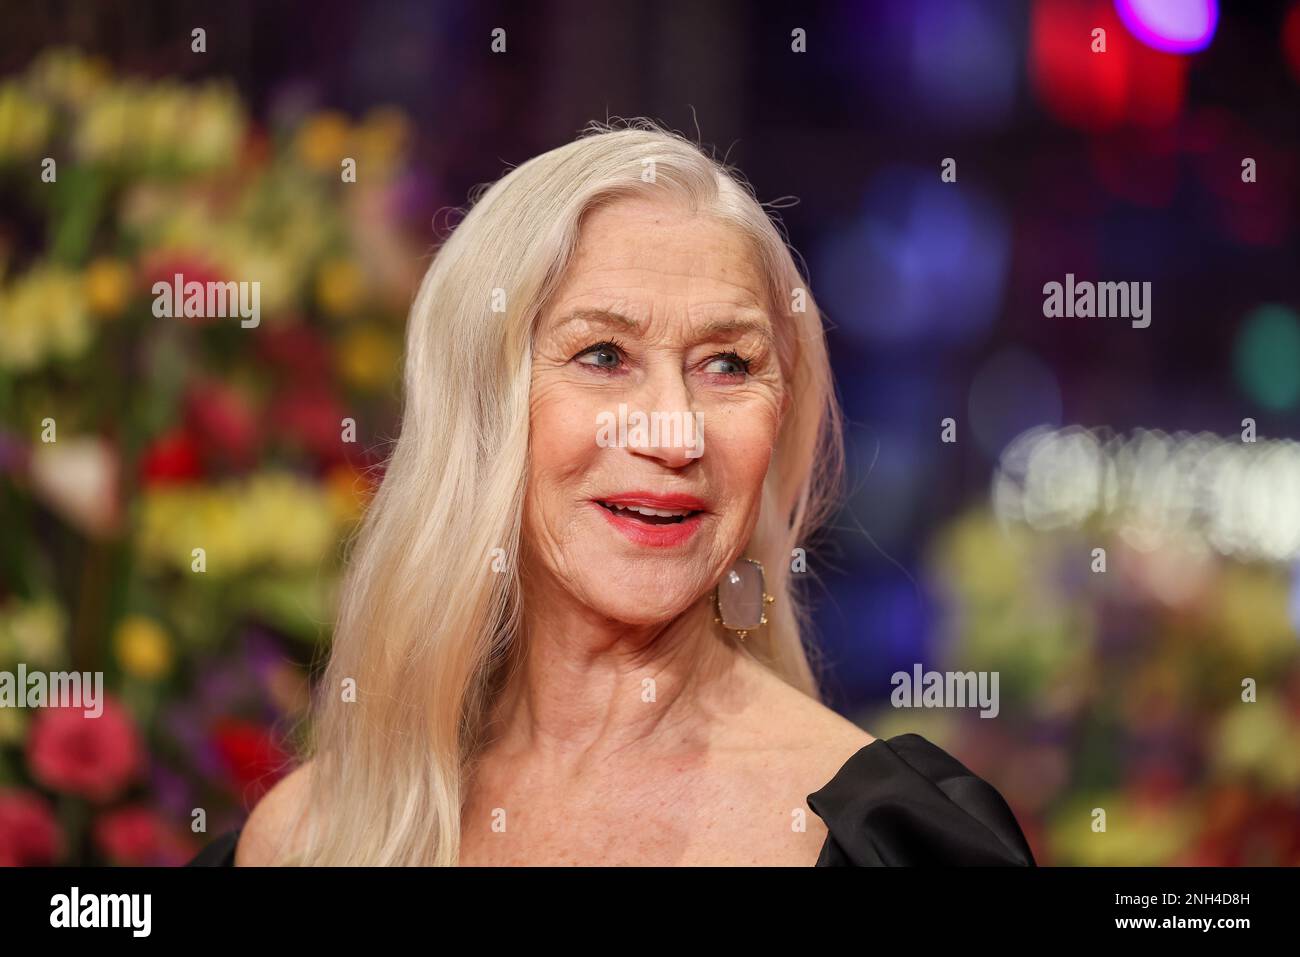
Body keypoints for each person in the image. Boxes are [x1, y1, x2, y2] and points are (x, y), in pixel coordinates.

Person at [189, 120, 1034, 867]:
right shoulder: (307, 836)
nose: (675, 433)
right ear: (480, 412)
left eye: (728, 364)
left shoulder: (893, 841)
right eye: (603, 355)